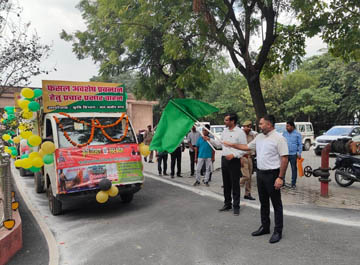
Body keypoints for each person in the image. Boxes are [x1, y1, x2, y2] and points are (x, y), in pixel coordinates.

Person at [223, 114, 288, 244]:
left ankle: (277, 231)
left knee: (276, 204)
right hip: (261, 174)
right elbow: (246, 147)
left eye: (261, 124)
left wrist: (280, 177)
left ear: (269, 124)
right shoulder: (259, 137)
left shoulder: (279, 138)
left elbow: (284, 158)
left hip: (273, 174)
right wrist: (232, 145)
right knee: (263, 202)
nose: (259, 126)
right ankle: (265, 227)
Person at [206, 113, 247, 216]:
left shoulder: (240, 132)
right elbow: (220, 144)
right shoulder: (224, 131)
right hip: (224, 160)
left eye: (226, 120)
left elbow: (244, 148)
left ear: (232, 121)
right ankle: (227, 203)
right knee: (226, 183)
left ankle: (236, 206)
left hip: (234, 160)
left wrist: (234, 154)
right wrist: (209, 140)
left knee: (235, 184)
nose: (225, 122)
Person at [282, 121, 302, 189]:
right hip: (285, 154)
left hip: (293, 154)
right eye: (286, 126)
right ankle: (282, 182)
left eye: (288, 126)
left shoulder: (297, 134)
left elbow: (300, 144)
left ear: (292, 127)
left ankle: (293, 184)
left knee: (294, 169)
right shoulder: (284, 133)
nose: (286, 127)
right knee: (283, 168)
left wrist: (299, 153)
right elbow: (282, 142)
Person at [241, 120, 257, 200]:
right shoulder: (240, 135)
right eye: (246, 126)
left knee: (250, 177)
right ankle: (235, 187)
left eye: (249, 126)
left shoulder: (253, 135)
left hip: (250, 157)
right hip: (243, 157)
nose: (248, 128)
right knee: (246, 176)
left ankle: (247, 193)